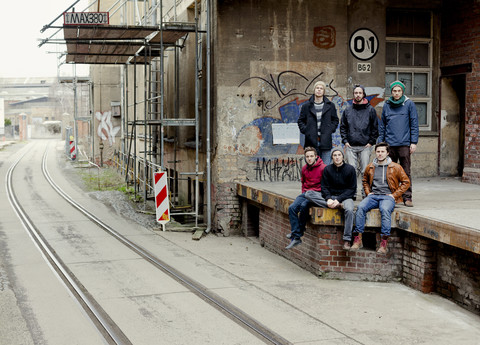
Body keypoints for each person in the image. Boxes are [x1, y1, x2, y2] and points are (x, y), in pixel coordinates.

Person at [350, 142, 410, 254]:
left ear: (387, 153)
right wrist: (368, 193)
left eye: (382, 151)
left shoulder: (395, 167)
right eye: (378, 151)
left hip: (388, 197)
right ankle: (358, 239)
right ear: (375, 152)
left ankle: (383, 243)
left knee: (385, 210)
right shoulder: (370, 166)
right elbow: (365, 181)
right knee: (360, 207)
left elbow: (406, 182)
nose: (380, 154)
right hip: (374, 196)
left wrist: (394, 195)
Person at [306, 149, 356, 250]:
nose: (337, 157)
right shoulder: (327, 169)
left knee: (350, 210)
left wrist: (339, 199)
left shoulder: (350, 169)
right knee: (308, 194)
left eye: (339, 155)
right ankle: (334, 206)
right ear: (332, 157)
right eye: (334, 155)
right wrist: (328, 199)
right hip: (331, 197)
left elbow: (352, 189)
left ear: (343, 156)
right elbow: (324, 187)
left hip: (345, 198)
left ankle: (347, 239)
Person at [378, 80, 419, 207]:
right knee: (391, 172)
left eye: (399, 91)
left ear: (402, 92)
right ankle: (394, 197)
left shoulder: (409, 104)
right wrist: (381, 143)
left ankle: (407, 197)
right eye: (394, 91)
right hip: (390, 144)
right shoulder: (387, 105)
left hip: (404, 144)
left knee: (405, 172)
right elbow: (383, 125)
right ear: (392, 92)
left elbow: (414, 124)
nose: (396, 93)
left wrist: (413, 142)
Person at [340, 84, 378, 198]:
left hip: (365, 145)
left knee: (365, 171)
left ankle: (365, 192)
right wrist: (345, 141)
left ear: (363, 94)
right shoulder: (348, 110)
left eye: (360, 93)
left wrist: (371, 142)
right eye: (356, 93)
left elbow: (375, 127)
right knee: (351, 171)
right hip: (351, 146)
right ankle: (352, 193)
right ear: (353, 95)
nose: (358, 95)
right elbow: (343, 127)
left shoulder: (370, 110)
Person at [286, 147, 326, 249]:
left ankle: (297, 235)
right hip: (306, 193)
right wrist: (303, 192)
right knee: (292, 208)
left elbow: (326, 186)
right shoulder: (304, 169)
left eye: (311, 156)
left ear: (316, 157)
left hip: (317, 194)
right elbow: (303, 183)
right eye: (307, 156)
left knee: (304, 206)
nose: (309, 159)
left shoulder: (323, 168)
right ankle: (296, 234)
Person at [298, 80, 339, 165]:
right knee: (312, 167)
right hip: (311, 141)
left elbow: (335, 120)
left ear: (324, 91)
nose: (319, 90)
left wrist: (330, 130)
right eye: (317, 88)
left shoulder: (330, 106)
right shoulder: (306, 106)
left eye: (321, 88)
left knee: (325, 167)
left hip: (325, 141)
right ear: (314, 90)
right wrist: (306, 130)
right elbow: (300, 121)